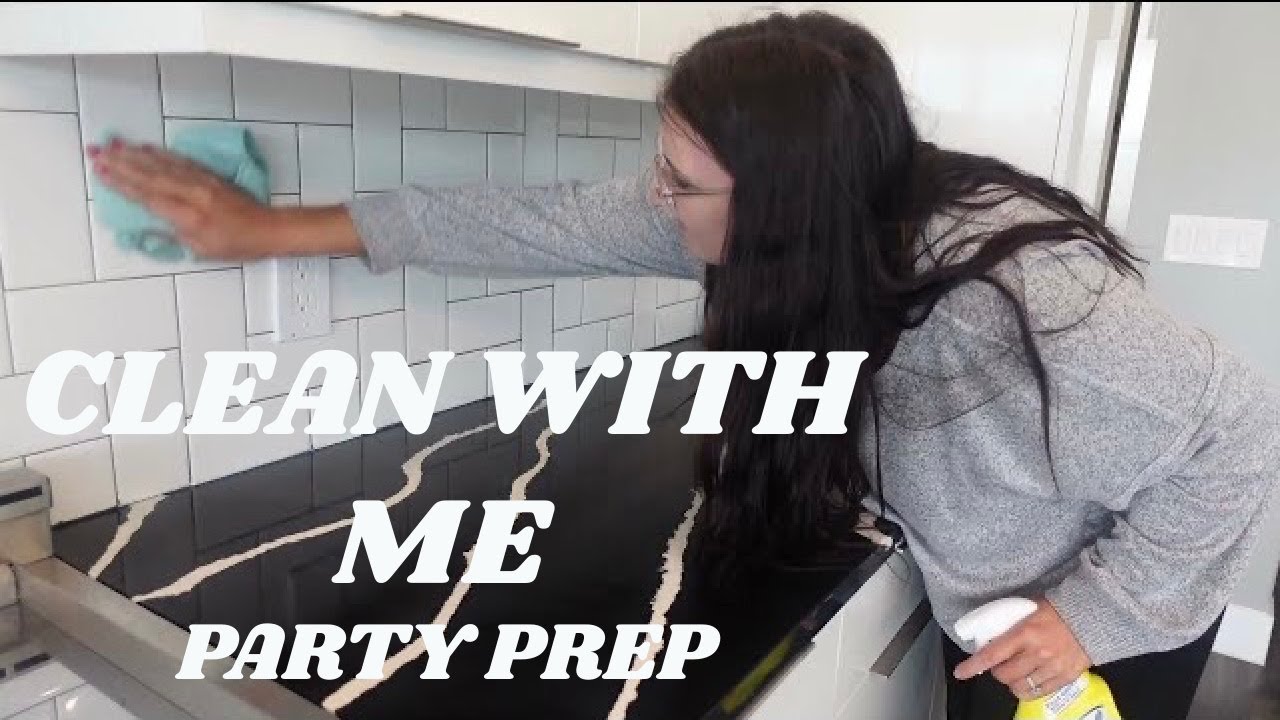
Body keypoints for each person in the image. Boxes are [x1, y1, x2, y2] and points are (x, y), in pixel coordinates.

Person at [88, 11, 1280, 720]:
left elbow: (1239, 428)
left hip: (1092, 627)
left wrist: (1090, 616)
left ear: (782, 197)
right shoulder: (793, 227)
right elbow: (535, 221)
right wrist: (268, 230)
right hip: (988, 599)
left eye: (678, 180)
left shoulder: (1007, 294)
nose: (654, 200)